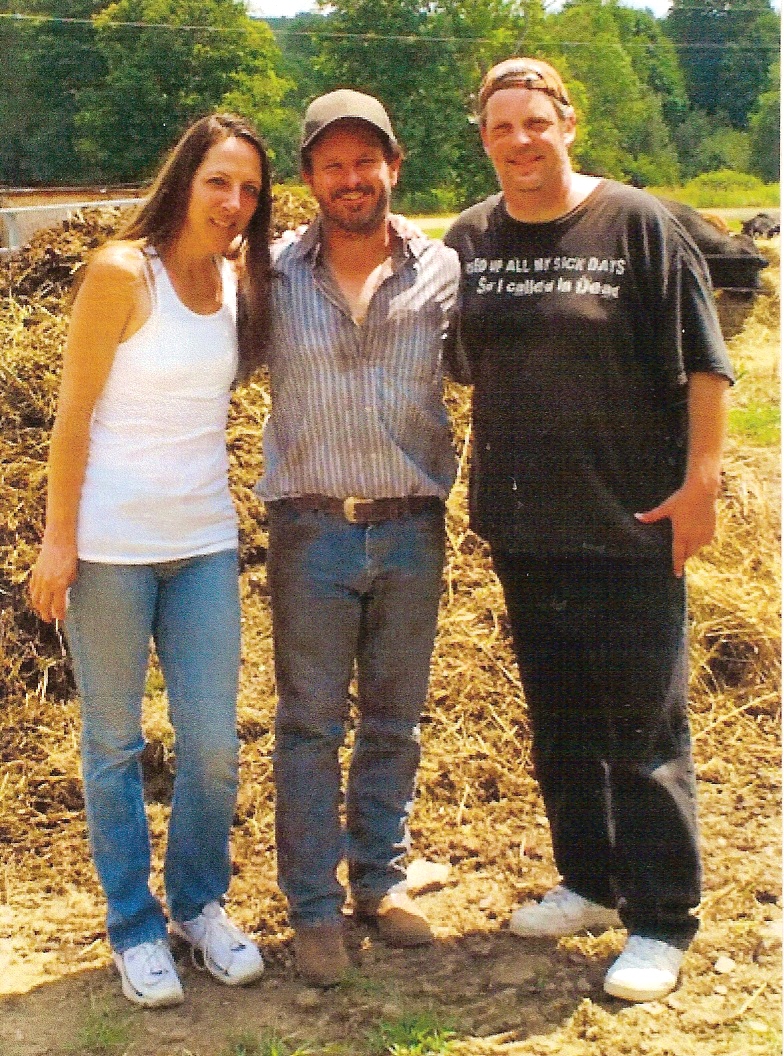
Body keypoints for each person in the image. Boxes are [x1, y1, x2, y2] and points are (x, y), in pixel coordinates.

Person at [443, 58, 734, 1003]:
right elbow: (454, 362)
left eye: (536, 122)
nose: (520, 141)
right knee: (561, 720)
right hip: (525, 524)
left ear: (569, 122)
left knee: (644, 725)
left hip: (632, 520)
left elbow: (704, 364)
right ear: (483, 140)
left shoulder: (637, 225)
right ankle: (590, 882)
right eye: (502, 129)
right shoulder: (471, 240)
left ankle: (661, 917)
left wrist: (700, 484)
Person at [28, 113, 271, 1007]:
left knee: (211, 743)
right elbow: (73, 418)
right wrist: (59, 541)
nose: (234, 202)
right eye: (219, 181)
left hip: (204, 542)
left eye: (249, 188)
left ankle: (199, 906)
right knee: (114, 742)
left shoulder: (241, 279)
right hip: (112, 551)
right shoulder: (121, 274)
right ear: (185, 180)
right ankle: (134, 925)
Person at [258, 90, 461, 987]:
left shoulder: (445, 269)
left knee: (394, 720)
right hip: (310, 530)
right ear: (308, 177)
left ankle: (380, 879)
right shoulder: (267, 276)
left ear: (393, 165)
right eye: (332, 164)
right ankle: (312, 910)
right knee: (306, 726)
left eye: (365, 161)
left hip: (412, 530)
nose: (351, 179)